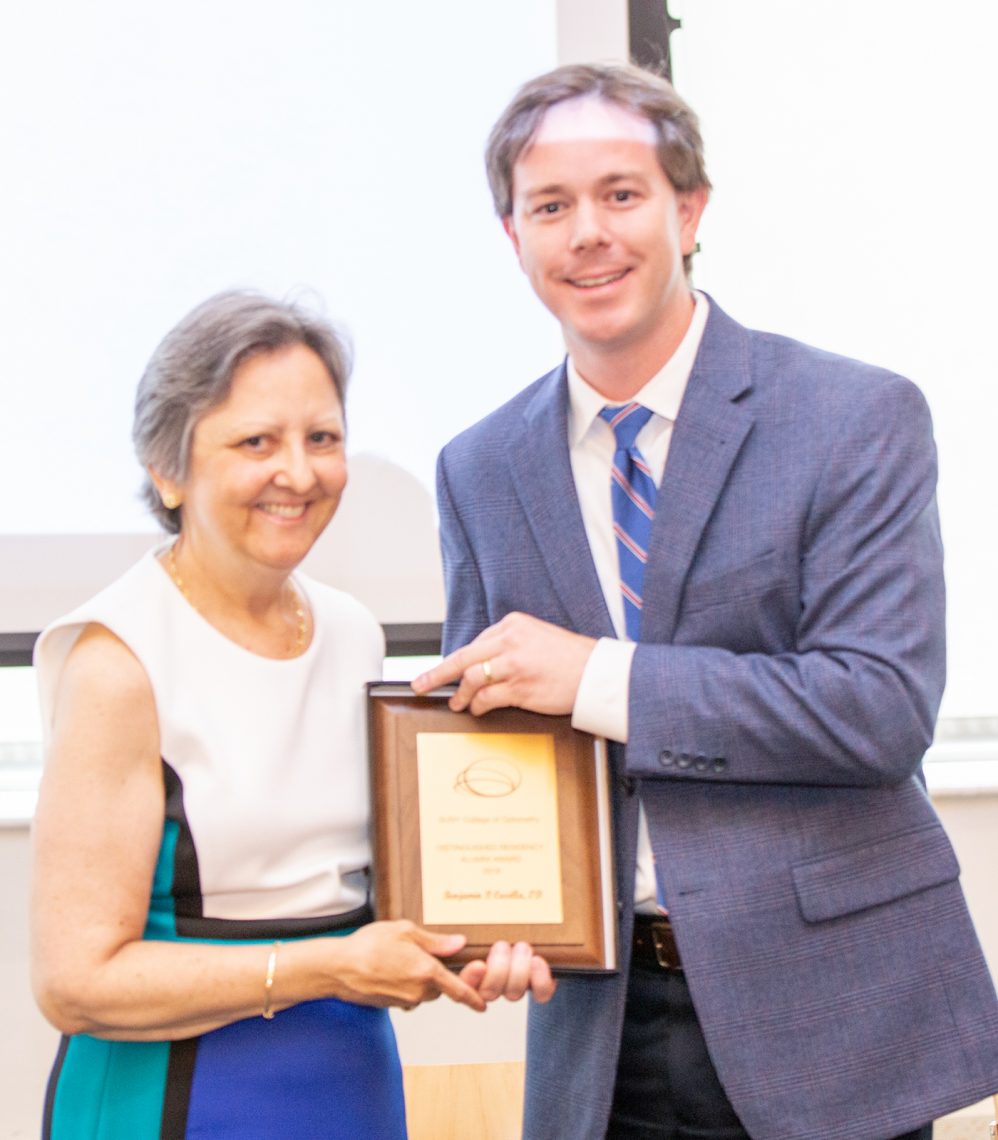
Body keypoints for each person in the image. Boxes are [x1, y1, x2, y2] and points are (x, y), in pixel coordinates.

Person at [412, 62, 998, 1140]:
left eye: (620, 194)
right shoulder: (477, 467)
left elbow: (873, 708)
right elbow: (491, 751)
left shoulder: (852, 417)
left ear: (689, 209)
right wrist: (487, 915)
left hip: (828, 1013)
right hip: (600, 1027)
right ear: (512, 237)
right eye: (550, 205)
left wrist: (594, 676)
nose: (586, 232)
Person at [31, 291, 554, 1140]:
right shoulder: (117, 663)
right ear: (167, 469)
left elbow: (357, 891)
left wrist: (484, 936)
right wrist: (333, 968)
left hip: (350, 1083)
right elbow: (76, 982)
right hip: (179, 1100)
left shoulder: (351, 632)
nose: (300, 473)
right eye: (255, 443)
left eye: (323, 438)